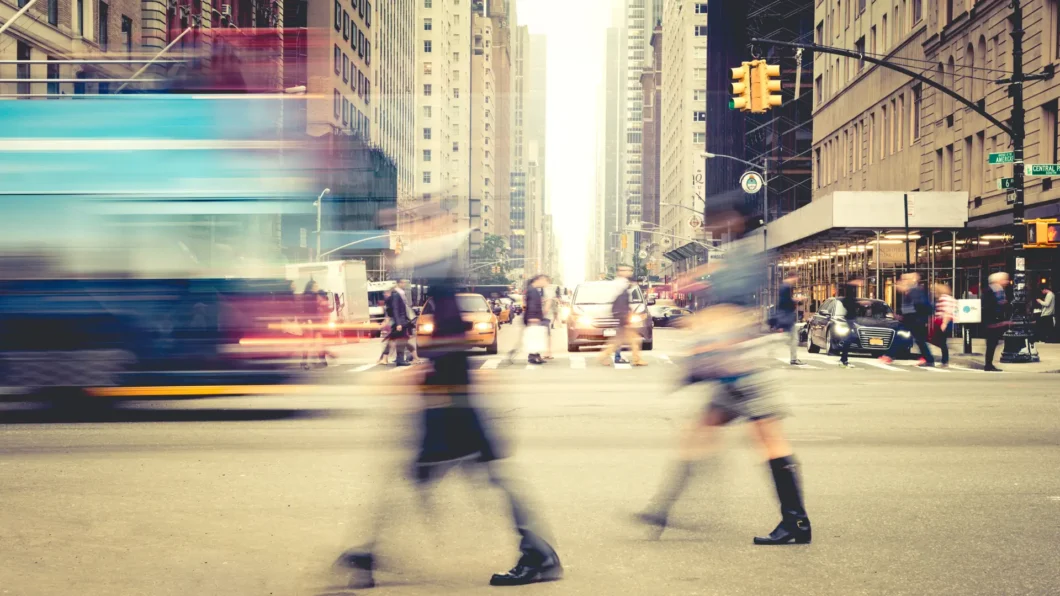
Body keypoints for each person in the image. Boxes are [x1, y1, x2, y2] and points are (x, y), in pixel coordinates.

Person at [333, 279, 563, 589]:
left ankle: (538, 554)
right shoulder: (442, 297)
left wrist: (419, 381)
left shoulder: (444, 295)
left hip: (452, 419)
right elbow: (450, 358)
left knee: (419, 483)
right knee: (469, 482)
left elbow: (451, 360)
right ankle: (538, 553)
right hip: (453, 416)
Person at [634, 201, 810, 546]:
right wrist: (696, 280)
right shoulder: (738, 253)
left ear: (730, 219)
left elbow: (731, 311)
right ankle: (662, 510)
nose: (707, 226)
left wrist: (697, 322)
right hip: (732, 370)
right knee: (699, 432)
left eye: (711, 220)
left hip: (745, 366)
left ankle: (796, 522)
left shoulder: (746, 254)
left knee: (768, 439)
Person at [880, 273, 934, 367]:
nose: (903, 281)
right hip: (912, 319)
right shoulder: (912, 290)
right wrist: (900, 315)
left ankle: (889, 356)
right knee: (916, 339)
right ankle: (928, 359)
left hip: (914, 319)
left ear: (913, 279)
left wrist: (909, 316)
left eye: (905, 279)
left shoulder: (915, 290)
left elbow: (918, 305)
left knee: (902, 336)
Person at [598, 264, 646, 366]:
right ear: (620, 272)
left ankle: (603, 355)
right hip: (622, 317)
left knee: (620, 340)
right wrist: (626, 317)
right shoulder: (620, 283)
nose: (629, 272)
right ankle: (637, 359)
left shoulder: (621, 283)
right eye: (626, 270)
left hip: (621, 316)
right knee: (633, 340)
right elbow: (621, 302)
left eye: (630, 270)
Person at [982, 272, 1011, 372]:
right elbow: (988, 306)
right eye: (1004, 279)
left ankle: (988, 364)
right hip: (992, 321)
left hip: (993, 320)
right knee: (992, 343)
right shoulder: (994, 290)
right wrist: (1001, 304)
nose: (1006, 281)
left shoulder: (998, 290)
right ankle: (988, 364)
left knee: (993, 343)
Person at [777, 273, 803, 366]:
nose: (796, 281)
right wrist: (796, 300)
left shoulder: (784, 287)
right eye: (796, 278)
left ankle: (794, 359)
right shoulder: (786, 287)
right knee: (793, 338)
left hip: (786, 315)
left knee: (792, 338)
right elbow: (785, 302)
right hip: (787, 315)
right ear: (792, 277)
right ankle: (793, 359)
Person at [837, 278, 863, 368]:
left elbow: (848, 302)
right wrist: (860, 304)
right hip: (850, 317)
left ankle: (843, 359)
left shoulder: (850, 288)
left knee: (850, 338)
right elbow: (848, 302)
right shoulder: (850, 288)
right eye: (859, 280)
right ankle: (843, 359)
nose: (861, 282)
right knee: (850, 338)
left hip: (851, 317)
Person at [386, 280, 413, 367]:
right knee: (401, 340)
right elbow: (395, 309)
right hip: (400, 321)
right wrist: (398, 323)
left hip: (402, 321)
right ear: (398, 283)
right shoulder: (396, 294)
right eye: (403, 282)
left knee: (401, 340)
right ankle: (400, 360)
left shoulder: (400, 293)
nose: (404, 284)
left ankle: (400, 359)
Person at [523, 275, 548, 365]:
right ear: (538, 280)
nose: (545, 283)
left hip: (534, 317)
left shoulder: (533, 290)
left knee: (536, 337)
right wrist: (533, 317)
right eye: (544, 280)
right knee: (534, 338)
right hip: (533, 318)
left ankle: (536, 356)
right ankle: (532, 357)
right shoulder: (532, 290)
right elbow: (532, 305)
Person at [932, 283, 956, 368]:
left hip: (943, 321)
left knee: (942, 342)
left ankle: (945, 361)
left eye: (934, 290)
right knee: (942, 342)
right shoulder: (950, 298)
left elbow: (947, 311)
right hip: (947, 322)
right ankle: (944, 361)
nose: (933, 292)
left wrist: (944, 323)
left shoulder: (943, 298)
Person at [377, 288, 394, 365]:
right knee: (387, 342)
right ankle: (383, 358)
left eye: (386, 293)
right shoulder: (388, 303)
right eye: (384, 293)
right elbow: (387, 316)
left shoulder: (391, 303)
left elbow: (389, 316)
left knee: (387, 342)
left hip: (393, 325)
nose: (385, 295)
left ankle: (383, 359)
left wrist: (383, 325)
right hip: (392, 325)